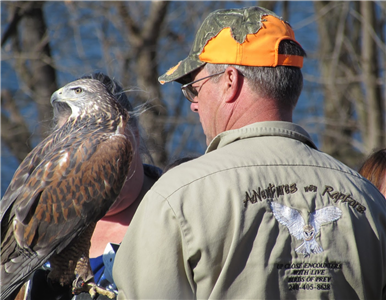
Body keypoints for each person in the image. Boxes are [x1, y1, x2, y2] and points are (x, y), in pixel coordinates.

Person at [113, 6, 386, 300]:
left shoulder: (177, 198)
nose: (193, 104)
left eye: (195, 87)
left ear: (230, 80)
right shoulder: (369, 201)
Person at [25, 73, 162, 300]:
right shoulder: (35, 222)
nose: (90, 161)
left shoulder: (178, 209)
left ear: (134, 135)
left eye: (102, 142)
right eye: (75, 149)